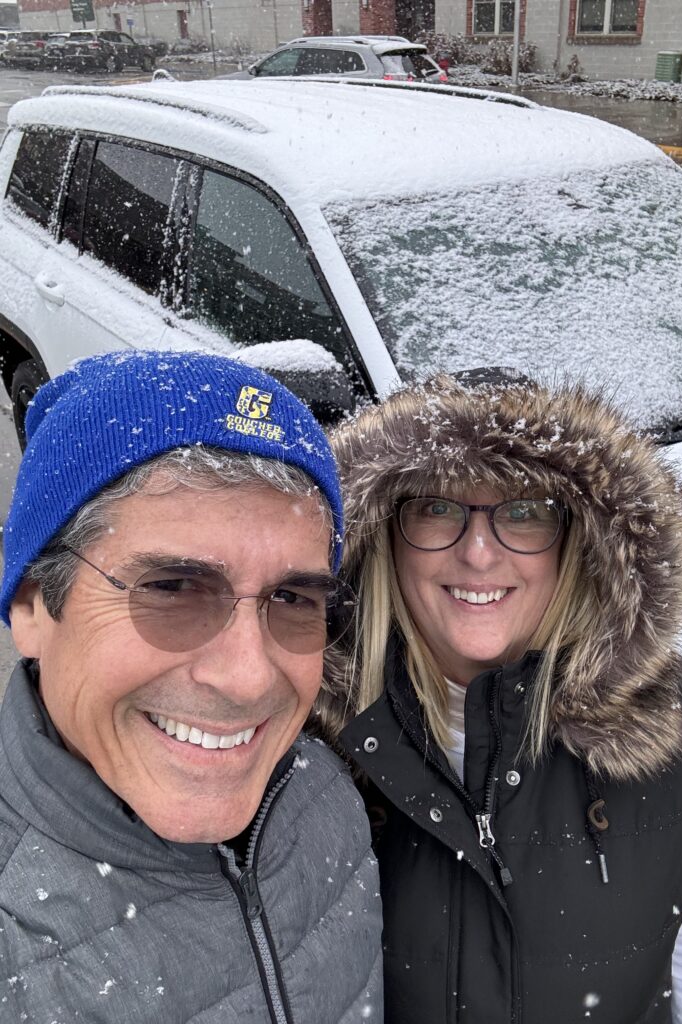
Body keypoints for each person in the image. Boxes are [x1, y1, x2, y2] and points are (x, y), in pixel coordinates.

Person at [328, 371, 682, 1024]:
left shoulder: (677, 713)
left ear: (577, 540)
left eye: (524, 512)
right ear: (386, 531)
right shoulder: (314, 732)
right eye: (437, 507)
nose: (479, 553)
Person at [0, 350, 382, 1023]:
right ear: (32, 606)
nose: (246, 677)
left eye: (293, 597)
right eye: (172, 589)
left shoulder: (325, 795)